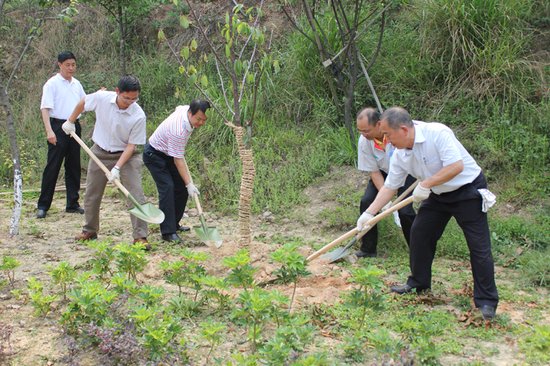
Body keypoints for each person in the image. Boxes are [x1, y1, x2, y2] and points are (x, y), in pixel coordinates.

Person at [356, 107, 499, 320]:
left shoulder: (437, 133)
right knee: (419, 233)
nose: (385, 139)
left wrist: (427, 183)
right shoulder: (399, 154)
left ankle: (487, 301)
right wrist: (369, 213)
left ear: (403, 129)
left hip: (467, 190)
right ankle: (419, 283)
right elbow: (390, 186)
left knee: (478, 246)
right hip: (437, 194)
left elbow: (456, 166)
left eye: (388, 134)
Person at [62, 75, 149, 248]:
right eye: (126, 98)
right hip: (100, 152)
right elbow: (83, 102)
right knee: (92, 193)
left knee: (135, 193)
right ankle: (90, 230)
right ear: (117, 92)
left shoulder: (138, 115)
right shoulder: (102, 98)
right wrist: (70, 121)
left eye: (134, 98)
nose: (130, 102)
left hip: (127, 156)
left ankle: (140, 237)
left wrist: (117, 167)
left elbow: (132, 146)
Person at [143, 100, 210, 243]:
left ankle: (174, 224)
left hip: (169, 154)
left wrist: (186, 185)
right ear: (190, 113)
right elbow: (178, 160)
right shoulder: (178, 130)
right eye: (198, 119)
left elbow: (178, 107)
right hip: (154, 155)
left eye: (204, 120)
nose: (201, 123)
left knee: (181, 188)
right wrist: (189, 184)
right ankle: (168, 232)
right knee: (168, 187)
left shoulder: (186, 110)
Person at [356, 107, 416, 257]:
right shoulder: (364, 141)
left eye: (367, 130)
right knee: (367, 202)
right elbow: (374, 172)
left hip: (407, 170)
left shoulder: (394, 134)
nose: (364, 134)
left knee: (405, 211)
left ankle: (416, 249)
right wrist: (386, 201)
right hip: (383, 171)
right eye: (360, 131)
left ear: (378, 124)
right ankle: (368, 249)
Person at [36, 51, 86, 219]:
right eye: (67, 65)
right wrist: (49, 131)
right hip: (58, 126)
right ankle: (43, 205)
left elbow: (83, 104)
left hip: (74, 126)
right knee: (53, 165)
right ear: (60, 65)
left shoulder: (77, 84)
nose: (71, 68)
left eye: (73, 65)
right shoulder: (52, 84)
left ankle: (72, 203)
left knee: (73, 166)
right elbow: (45, 108)